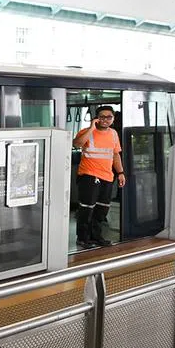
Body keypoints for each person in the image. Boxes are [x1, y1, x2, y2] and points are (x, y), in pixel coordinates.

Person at [72, 105, 127, 249]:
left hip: (107, 176)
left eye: (109, 117)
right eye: (101, 117)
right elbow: (76, 143)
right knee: (87, 208)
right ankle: (83, 238)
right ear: (96, 118)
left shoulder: (114, 134)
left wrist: (120, 173)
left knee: (102, 209)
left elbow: (115, 155)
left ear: (113, 119)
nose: (105, 120)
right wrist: (91, 128)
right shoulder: (87, 132)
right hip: (89, 175)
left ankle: (96, 237)